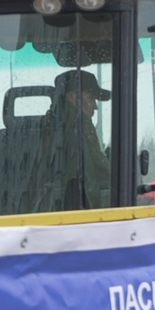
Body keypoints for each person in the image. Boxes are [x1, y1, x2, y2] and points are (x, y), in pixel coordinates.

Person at [48, 69, 113, 210]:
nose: (95, 106)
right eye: (90, 98)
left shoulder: (52, 129)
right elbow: (90, 188)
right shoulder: (75, 133)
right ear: (72, 97)